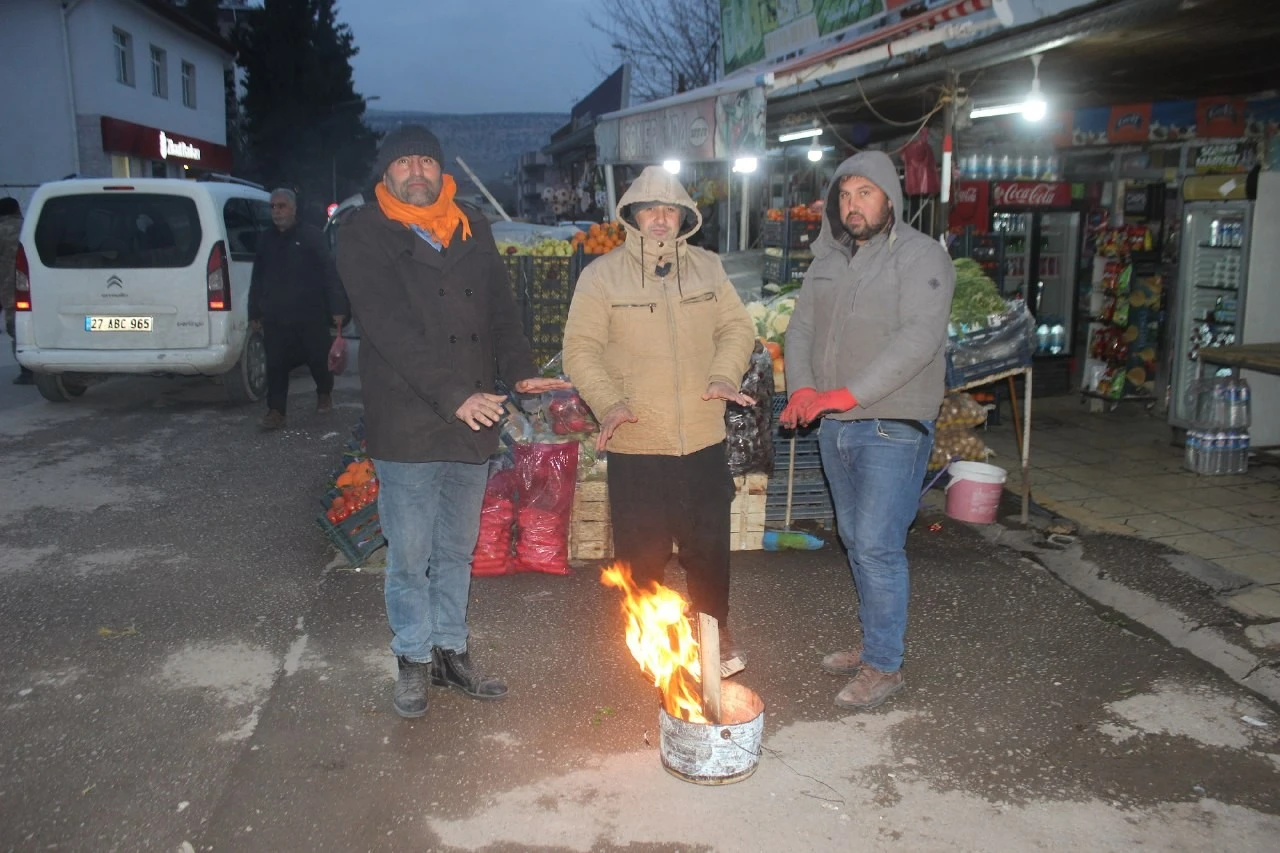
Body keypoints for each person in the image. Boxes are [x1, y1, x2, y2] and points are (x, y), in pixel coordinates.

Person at [335, 125, 569, 719]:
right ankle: (411, 659)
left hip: (473, 419)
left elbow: (500, 313)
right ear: (385, 174)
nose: (417, 171)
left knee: (457, 549)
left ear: (442, 172)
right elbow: (388, 329)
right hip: (411, 418)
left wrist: (518, 373)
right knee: (410, 554)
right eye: (404, 162)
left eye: (426, 161)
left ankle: (450, 652)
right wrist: (456, 394)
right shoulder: (363, 232)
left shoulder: (470, 224)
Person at [563, 165, 756, 677]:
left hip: (701, 437)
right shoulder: (601, 277)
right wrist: (610, 404)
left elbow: (738, 328)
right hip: (636, 441)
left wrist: (722, 375)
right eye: (649, 209)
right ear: (631, 216)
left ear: (684, 217)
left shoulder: (709, 269)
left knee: (708, 549)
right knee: (641, 556)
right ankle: (650, 641)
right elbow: (579, 351)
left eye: (670, 209)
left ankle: (716, 632)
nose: (660, 219)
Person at [780, 150, 955, 710]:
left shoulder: (922, 256)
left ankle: (885, 667)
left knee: (877, 546)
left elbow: (918, 339)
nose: (853, 205)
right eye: (845, 195)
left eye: (866, 193)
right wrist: (804, 390)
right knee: (855, 540)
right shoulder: (828, 261)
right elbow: (800, 329)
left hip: (891, 425)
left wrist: (845, 394)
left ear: (889, 199)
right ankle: (876, 643)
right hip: (835, 425)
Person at [248, 188, 349, 430]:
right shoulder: (265, 240)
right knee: (276, 364)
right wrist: (254, 311)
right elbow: (258, 277)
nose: (276, 211)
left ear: (293, 209)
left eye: (281, 206)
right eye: (273, 207)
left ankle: (324, 392)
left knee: (317, 358)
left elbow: (329, 273)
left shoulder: (312, 236)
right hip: (276, 315)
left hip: (310, 313)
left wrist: (337, 309)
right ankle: (276, 411)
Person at [0, 197, 32, 385]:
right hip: (38, 284)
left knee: (16, 326)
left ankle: (27, 370)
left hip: (10, 287)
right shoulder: (30, 226)